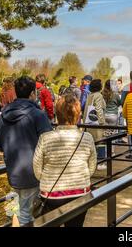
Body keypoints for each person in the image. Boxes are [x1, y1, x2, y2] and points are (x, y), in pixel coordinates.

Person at [0, 76, 53, 226]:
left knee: (16, 213)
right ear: (33, 93)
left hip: (12, 172)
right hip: (33, 173)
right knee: (27, 215)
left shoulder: (3, 116)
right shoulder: (38, 115)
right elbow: (49, 143)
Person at [33, 94, 97, 227]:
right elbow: (92, 167)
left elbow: (37, 167)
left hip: (51, 193)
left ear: (57, 115)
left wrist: (46, 178)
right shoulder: (87, 137)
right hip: (80, 192)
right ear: (78, 115)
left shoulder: (45, 138)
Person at [83, 79, 107, 171]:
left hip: (88, 123)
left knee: (91, 144)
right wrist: (102, 123)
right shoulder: (98, 95)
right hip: (96, 123)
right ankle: (100, 163)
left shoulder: (90, 95)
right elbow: (98, 109)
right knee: (100, 142)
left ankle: (90, 163)